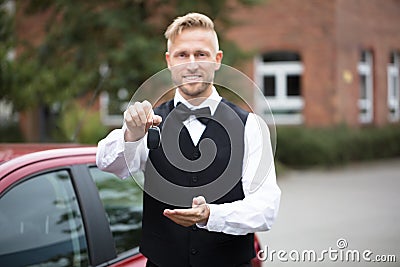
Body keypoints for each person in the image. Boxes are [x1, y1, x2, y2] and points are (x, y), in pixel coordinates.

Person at [97, 12, 281, 267]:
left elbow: (265, 208)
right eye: (182, 55)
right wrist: (130, 134)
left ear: (217, 60)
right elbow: (108, 164)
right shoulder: (147, 123)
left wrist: (211, 215)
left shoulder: (251, 126)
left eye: (201, 54)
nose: (192, 64)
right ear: (169, 61)